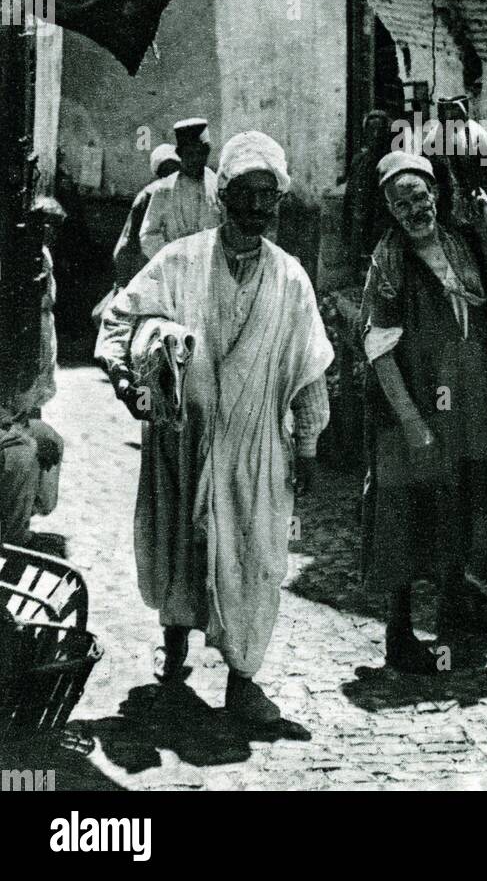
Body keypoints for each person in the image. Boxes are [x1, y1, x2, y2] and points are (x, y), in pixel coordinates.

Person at [96, 131, 333, 724]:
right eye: (246, 195)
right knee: (179, 542)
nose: (258, 209)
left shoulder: (292, 279)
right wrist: (133, 378)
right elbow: (120, 318)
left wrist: (306, 446)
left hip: (257, 447)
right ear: (222, 195)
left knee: (256, 554)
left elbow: (309, 370)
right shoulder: (179, 261)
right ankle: (174, 647)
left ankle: (243, 678)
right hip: (183, 441)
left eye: (269, 197)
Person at [360, 150, 487, 673]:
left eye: (420, 196)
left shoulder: (460, 243)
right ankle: (399, 636)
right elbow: (378, 349)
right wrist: (411, 420)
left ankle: (451, 625)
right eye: (401, 203)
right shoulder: (390, 260)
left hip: (464, 407)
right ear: (390, 210)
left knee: (458, 507)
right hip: (415, 410)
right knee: (405, 517)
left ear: (435, 195)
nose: (414, 209)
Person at [0, 197, 66, 544]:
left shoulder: (42, 258)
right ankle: (12, 537)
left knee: (45, 436)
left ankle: (23, 515)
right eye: (43, 225)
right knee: (22, 450)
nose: (48, 232)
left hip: (39, 330)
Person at [422, 95, 487, 226]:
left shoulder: (477, 135)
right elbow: (425, 176)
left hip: (476, 206)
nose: (450, 115)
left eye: (454, 111)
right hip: (446, 211)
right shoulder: (432, 138)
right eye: (446, 111)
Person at [139, 118, 220, 259]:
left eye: (200, 153)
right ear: (179, 154)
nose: (195, 159)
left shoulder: (218, 186)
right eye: (190, 154)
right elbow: (147, 236)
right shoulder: (163, 190)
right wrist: (174, 256)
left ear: (207, 153)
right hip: (175, 270)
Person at [112, 144, 180, 287]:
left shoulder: (187, 194)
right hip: (148, 265)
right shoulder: (148, 196)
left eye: (174, 169)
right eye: (167, 170)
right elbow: (129, 241)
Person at [342, 109, 391, 280]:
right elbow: (350, 194)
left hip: (381, 224)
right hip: (360, 222)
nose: (376, 135)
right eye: (372, 130)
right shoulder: (359, 160)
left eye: (380, 131)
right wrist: (347, 224)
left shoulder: (392, 161)